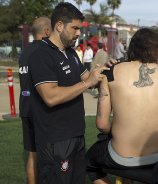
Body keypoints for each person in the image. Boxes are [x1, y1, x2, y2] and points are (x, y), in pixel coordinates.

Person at [86, 28, 158, 184]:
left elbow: (102, 124)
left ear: (132, 47)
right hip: (155, 155)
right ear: (157, 49)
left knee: (89, 164)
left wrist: (119, 132)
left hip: (120, 155)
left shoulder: (111, 72)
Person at [28, 2, 107, 184]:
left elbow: (89, 78)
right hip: (55, 139)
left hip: (76, 135)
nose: (79, 33)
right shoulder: (41, 54)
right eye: (75, 28)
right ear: (59, 26)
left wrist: (106, 71)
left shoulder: (70, 53)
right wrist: (87, 83)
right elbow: (50, 96)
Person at [19, 16, 51, 184]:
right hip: (41, 110)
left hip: (25, 107)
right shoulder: (44, 51)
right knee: (48, 154)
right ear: (47, 31)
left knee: (32, 154)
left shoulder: (24, 52)